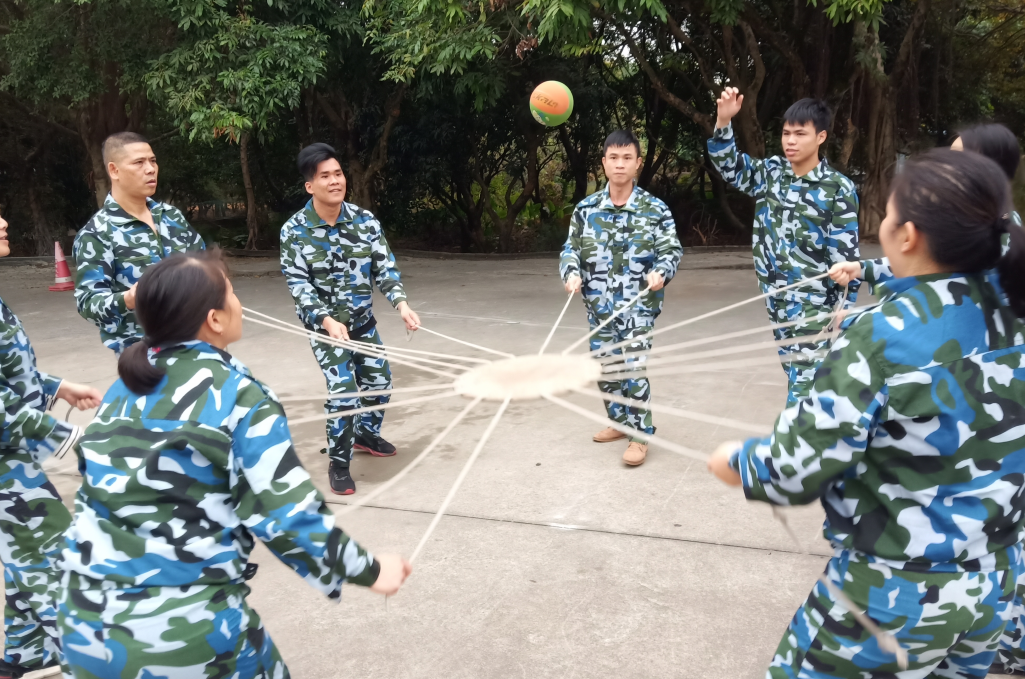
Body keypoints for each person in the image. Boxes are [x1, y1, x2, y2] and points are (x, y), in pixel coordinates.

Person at [708, 148, 1025, 677]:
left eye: (888, 212)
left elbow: (796, 470)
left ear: (908, 235)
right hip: (993, 588)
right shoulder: (1013, 310)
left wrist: (737, 461)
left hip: (894, 596)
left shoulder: (879, 337)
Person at [57, 251, 412, 679]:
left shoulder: (123, 388)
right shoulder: (238, 394)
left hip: (81, 624)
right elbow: (287, 515)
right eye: (232, 293)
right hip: (181, 632)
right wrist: (370, 571)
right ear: (215, 319)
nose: (239, 303)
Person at [280, 143, 420, 495]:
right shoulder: (294, 230)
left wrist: (402, 305)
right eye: (324, 176)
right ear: (310, 185)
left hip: (363, 325)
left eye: (338, 174)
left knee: (380, 383)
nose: (335, 181)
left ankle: (366, 434)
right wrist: (326, 320)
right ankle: (339, 463)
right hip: (326, 332)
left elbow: (384, 269)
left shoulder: (365, 221)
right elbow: (298, 285)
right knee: (344, 395)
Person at [707, 89, 861, 406]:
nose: (790, 141)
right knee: (796, 373)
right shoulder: (772, 174)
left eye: (800, 134)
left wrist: (846, 303)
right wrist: (723, 122)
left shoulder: (837, 188)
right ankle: (819, 430)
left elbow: (846, 254)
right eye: (786, 133)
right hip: (775, 296)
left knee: (804, 384)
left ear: (821, 137)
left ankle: (794, 436)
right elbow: (729, 166)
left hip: (813, 301)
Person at [0, 213, 102, 679]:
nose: (5, 221)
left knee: (25, 556)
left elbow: (11, 374)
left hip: (13, 456)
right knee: (59, 565)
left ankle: (24, 653)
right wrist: (69, 439)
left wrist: (57, 387)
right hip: (7, 467)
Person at [560, 130, 682, 467]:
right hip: (598, 307)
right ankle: (619, 421)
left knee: (633, 368)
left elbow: (671, 250)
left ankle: (640, 436)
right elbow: (570, 249)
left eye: (627, 158)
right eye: (613, 157)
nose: (619, 164)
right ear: (603, 163)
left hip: (638, 308)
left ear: (638, 163)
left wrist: (661, 272)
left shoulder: (654, 210)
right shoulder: (586, 209)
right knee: (606, 369)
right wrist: (571, 273)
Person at [73, 131, 205, 356]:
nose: (150, 169)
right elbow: (88, 303)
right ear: (114, 170)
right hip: (144, 356)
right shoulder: (97, 233)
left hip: (196, 341)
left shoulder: (171, 216)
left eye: (153, 161)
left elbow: (205, 263)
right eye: (139, 162)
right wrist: (129, 299)